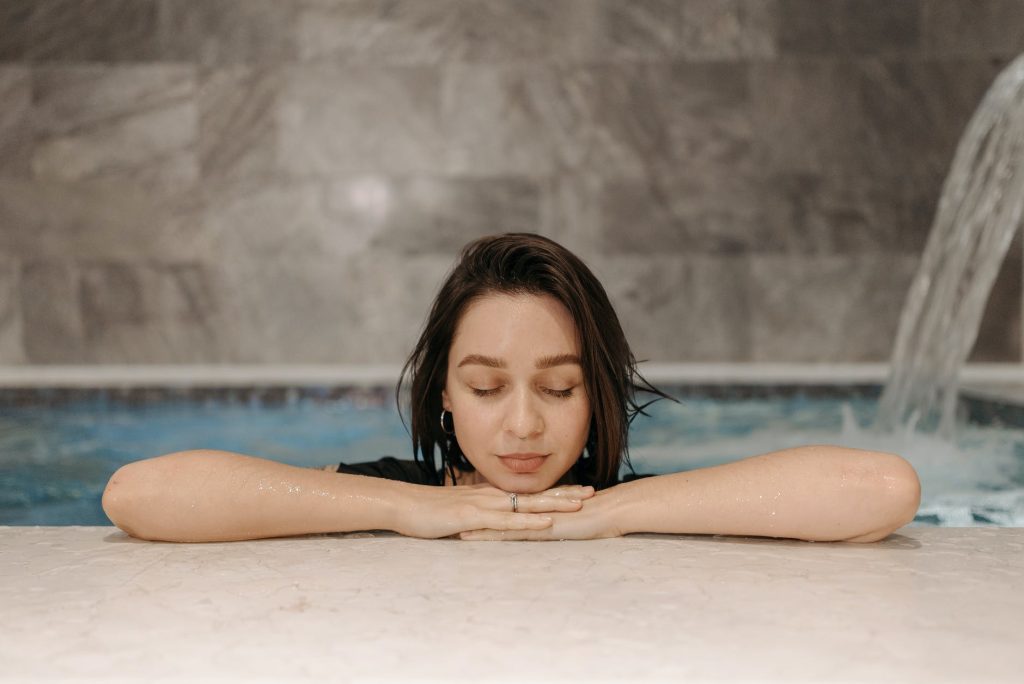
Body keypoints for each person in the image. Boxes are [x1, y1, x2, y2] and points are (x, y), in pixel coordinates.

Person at [102, 233, 921, 543]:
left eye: (560, 390)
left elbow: (881, 487)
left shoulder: (619, 504)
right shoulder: (398, 494)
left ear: (597, 394)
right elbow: (139, 494)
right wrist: (408, 506)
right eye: (487, 387)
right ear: (445, 395)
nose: (524, 425)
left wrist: (609, 511)